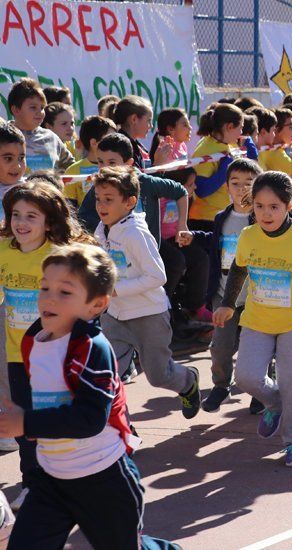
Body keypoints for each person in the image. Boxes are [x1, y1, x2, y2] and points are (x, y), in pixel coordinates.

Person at [0, 243, 179, 549]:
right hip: (51, 480)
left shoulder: (93, 349)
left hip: (103, 480)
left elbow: (90, 419)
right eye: (45, 287)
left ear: (96, 305)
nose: (49, 298)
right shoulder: (33, 339)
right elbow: (44, 396)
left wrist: (28, 423)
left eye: (65, 292)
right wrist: (19, 418)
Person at [212, 171, 292, 467]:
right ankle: (273, 401)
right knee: (246, 376)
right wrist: (228, 304)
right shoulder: (248, 235)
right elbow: (239, 270)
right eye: (259, 206)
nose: (265, 214)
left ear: (289, 205)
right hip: (258, 320)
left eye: (273, 207)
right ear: (251, 205)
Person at [0, 180, 88, 510]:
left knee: (58, 419)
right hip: (15, 354)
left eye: (31, 216)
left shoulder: (59, 257)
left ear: (49, 222)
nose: (20, 223)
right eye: (15, 215)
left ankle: (77, 476)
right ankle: (33, 483)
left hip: (55, 355)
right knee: (24, 422)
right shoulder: (3, 251)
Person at [92, 166, 201, 410]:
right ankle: (118, 431)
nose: (101, 205)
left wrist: (117, 289)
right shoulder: (101, 230)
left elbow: (157, 276)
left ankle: (188, 380)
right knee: (109, 376)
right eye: (98, 199)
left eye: (109, 200)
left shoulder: (136, 233)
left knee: (158, 375)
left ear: (130, 202)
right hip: (115, 315)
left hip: (148, 316)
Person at [192, 158, 261, 413]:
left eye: (248, 183)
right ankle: (221, 385)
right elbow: (216, 241)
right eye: (235, 183)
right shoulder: (222, 217)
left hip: (256, 296)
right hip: (224, 295)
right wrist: (195, 237)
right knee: (220, 346)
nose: (242, 188)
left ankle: (260, 389)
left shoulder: (260, 217)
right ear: (227, 186)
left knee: (255, 348)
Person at [189, 104, 247, 231]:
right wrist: (223, 172)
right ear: (229, 127)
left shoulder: (224, 145)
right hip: (205, 219)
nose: (241, 133)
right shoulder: (207, 149)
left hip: (221, 216)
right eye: (240, 128)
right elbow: (201, 190)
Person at [7, 79, 74, 173]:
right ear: (16, 110)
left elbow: (72, 168)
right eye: (33, 107)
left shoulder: (51, 138)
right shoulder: (4, 136)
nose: (40, 112)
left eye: (42, 108)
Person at [62, 116, 116, 207]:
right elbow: (70, 208)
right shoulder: (73, 171)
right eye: (110, 139)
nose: (115, 142)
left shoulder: (119, 166)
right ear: (94, 143)